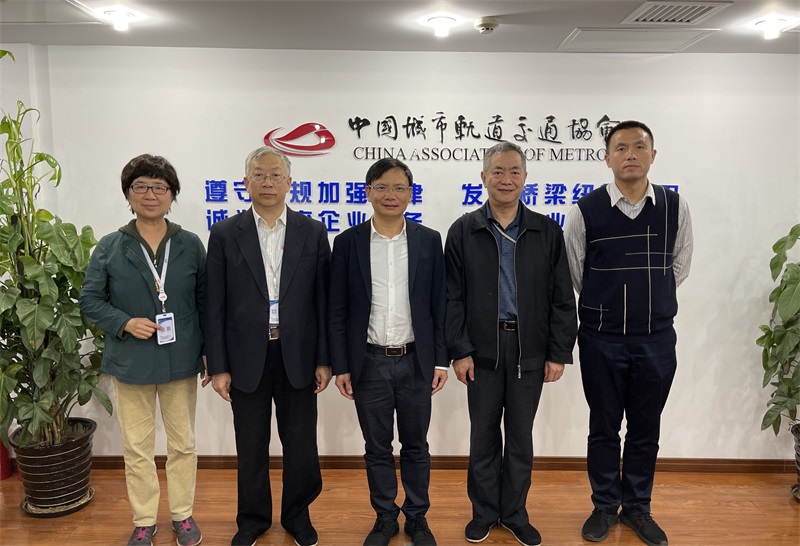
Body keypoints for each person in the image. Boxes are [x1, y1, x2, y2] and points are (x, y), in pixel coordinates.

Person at [563, 120, 693, 546]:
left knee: (644, 428)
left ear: (653, 155)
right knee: (602, 427)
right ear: (607, 158)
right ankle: (604, 506)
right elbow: (577, 273)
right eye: (621, 148)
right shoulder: (584, 211)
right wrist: (612, 304)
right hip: (600, 339)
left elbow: (678, 267)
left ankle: (637, 507)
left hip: (656, 339)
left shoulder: (675, 207)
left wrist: (647, 302)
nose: (630, 154)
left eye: (639, 147)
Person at [445, 141, 577, 546]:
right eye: (498, 171)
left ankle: (515, 513)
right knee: (483, 437)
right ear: (483, 177)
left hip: (529, 352)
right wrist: (460, 350)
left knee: (520, 439)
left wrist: (558, 353)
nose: (506, 179)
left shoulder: (545, 230)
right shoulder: (464, 230)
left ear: (525, 178)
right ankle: (484, 512)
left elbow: (562, 297)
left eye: (514, 171)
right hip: (481, 353)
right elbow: (452, 298)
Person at [204, 146, 331, 546]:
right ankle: (252, 519)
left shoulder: (313, 232)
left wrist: (325, 358)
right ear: (246, 183)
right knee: (251, 444)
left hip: (298, 355)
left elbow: (324, 301)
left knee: (301, 444)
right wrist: (218, 365)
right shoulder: (225, 233)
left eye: (276, 175)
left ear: (289, 183)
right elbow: (214, 304)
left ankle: (297, 516)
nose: (268, 182)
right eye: (259, 175)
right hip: (245, 357)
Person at [80, 154, 207, 546]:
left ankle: (183, 515)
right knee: (137, 447)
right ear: (128, 194)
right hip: (130, 361)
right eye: (141, 186)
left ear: (172, 195)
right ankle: (144, 520)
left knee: (183, 444)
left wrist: (209, 353)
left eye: (159, 187)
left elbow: (206, 301)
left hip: (181, 359)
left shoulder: (189, 244)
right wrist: (124, 322)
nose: (150, 195)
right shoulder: (110, 246)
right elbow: (90, 300)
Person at [329, 158, 448, 546]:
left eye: (399, 187)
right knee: (377, 448)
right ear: (368, 193)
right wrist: (341, 365)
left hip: (416, 361)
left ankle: (416, 517)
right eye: (381, 187)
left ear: (410, 194)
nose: (390, 195)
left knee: (416, 446)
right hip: (369, 362)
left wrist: (440, 359)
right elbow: (338, 309)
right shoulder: (348, 242)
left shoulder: (429, 240)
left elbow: (439, 305)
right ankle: (384, 517)